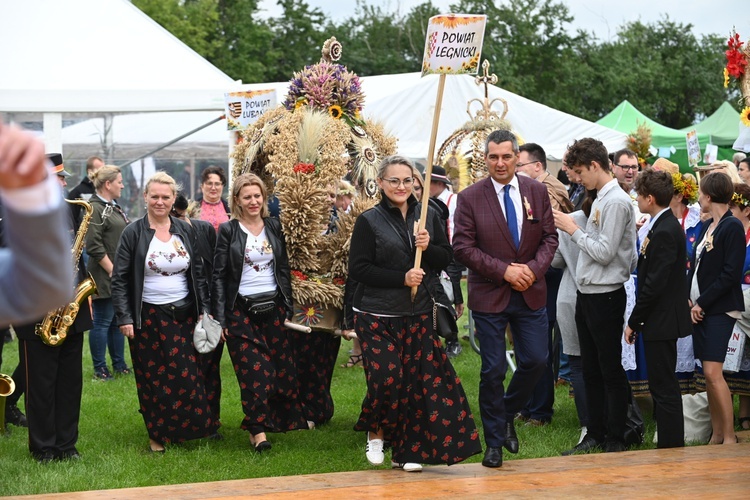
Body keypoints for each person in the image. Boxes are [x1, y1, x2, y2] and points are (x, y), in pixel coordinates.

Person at [350, 155, 481, 472]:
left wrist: (428, 244)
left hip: (418, 312)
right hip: (376, 314)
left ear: (415, 183)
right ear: (380, 183)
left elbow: (444, 258)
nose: (400, 186)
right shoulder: (369, 221)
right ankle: (376, 432)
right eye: (393, 180)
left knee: (414, 384)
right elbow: (359, 269)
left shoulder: (428, 215)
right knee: (387, 377)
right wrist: (401, 278)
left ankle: (406, 451)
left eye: (407, 180)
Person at [453, 130, 558, 468]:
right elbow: (463, 247)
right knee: (492, 370)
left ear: (517, 157)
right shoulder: (469, 197)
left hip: (531, 292)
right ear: (485, 159)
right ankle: (494, 442)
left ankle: (508, 411)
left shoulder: (536, 191)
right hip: (490, 295)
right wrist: (504, 271)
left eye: (507, 156)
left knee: (537, 361)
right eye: (493, 157)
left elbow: (549, 238)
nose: (500, 163)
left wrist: (532, 270)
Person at [112, 172, 217, 453]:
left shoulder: (186, 230)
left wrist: (203, 309)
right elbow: (120, 279)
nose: (160, 202)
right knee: (152, 378)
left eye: (165, 197)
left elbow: (198, 274)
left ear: (174, 200)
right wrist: (125, 317)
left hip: (183, 314)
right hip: (147, 317)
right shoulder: (133, 232)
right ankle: (156, 436)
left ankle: (181, 430)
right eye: (154, 196)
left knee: (186, 375)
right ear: (145, 197)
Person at [553, 138, 637, 455]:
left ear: (595, 166)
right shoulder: (601, 197)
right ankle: (596, 432)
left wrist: (572, 229)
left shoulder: (615, 201)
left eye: (579, 172)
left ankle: (616, 436)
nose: (577, 178)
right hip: (587, 293)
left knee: (609, 369)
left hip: (605, 294)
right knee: (590, 369)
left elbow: (604, 252)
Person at [211, 173, 307, 451]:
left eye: (257, 196)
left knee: (279, 371)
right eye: (247, 197)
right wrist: (221, 316)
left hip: (274, 307)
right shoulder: (228, 230)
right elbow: (218, 276)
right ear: (237, 201)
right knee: (255, 372)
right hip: (239, 310)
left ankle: (265, 422)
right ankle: (257, 431)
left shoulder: (274, 227)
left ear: (264, 198)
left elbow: (284, 268)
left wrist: (288, 306)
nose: (253, 201)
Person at [16, 154, 91, 463]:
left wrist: (81, 294)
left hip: (70, 308)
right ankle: (44, 446)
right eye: (58, 179)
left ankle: (66, 445)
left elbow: (77, 254)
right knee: (41, 385)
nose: (64, 183)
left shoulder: (70, 211)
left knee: (70, 382)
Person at [624, 169, 690, 448]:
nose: (636, 200)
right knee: (661, 384)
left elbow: (653, 285)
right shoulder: (660, 225)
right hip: (659, 318)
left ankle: (672, 444)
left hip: (661, 319)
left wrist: (634, 321)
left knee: (663, 386)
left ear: (649, 199)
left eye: (639, 195)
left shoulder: (664, 230)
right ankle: (669, 440)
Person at [688, 172, 745, 445]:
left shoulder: (731, 226)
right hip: (701, 308)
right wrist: (689, 299)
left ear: (709, 196)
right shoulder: (708, 225)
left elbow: (730, 274)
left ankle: (730, 436)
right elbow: (696, 265)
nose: (699, 198)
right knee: (707, 376)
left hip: (720, 308)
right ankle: (717, 433)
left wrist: (702, 302)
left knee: (713, 372)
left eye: (701, 194)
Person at [0, 122, 73, 326]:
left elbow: (41, 285)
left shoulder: (58, 204)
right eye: (60, 177)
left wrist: (30, 191)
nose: (65, 183)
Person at [172, 193, 223, 426]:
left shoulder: (203, 229)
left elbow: (215, 271)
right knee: (183, 367)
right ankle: (189, 417)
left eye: (181, 216)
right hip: (178, 309)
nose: (178, 221)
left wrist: (212, 309)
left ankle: (211, 419)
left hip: (207, 307)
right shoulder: (160, 233)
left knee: (210, 364)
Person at [551, 190, 595, 444]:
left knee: (577, 363)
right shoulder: (605, 215)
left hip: (570, 293)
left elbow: (556, 260)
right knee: (596, 361)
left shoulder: (571, 219)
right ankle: (599, 421)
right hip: (597, 291)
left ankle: (587, 424)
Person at [85, 165, 130, 381]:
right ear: (108, 184)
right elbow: (93, 245)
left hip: (115, 273)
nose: (122, 185)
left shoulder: (111, 206)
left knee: (114, 321)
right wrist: (113, 271)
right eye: (119, 181)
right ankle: (100, 369)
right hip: (104, 274)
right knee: (102, 320)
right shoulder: (95, 208)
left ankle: (119, 364)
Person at [718, 182, 750, 431]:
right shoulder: (732, 229)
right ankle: (726, 410)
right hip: (732, 298)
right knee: (728, 358)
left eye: (734, 206)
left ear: (746, 209)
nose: (729, 209)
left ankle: (746, 412)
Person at [428, 165, 465, 358]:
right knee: (436, 293)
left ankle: (453, 339)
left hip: (453, 253)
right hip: (434, 254)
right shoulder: (426, 202)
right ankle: (439, 336)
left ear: (437, 183)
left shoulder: (454, 200)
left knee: (451, 292)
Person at [67, 156, 104, 225]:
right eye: (100, 169)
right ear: (90, 171)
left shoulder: (105, 191)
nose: (103, 173)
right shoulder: (77, 193)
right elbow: (72, 218)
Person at [196, 165, 230, 233]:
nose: (213, 188)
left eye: (217, 184)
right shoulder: (193, 207)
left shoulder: (230, 208)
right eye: (209, 183)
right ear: (202, 186)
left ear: (222, 186)